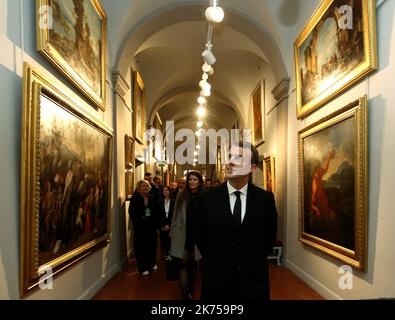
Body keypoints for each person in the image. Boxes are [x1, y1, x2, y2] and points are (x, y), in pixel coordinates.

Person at [195, 141, 278, 300]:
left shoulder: (265, 199)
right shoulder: (207, 198)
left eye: (239, 158)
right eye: (229, 156)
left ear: (252, 168)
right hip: (217, 281)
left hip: (253, 282)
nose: (230, 161)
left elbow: (268, 239)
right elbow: (201, 237)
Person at [170, 171, 204, 300]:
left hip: (197, 235)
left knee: (194, 264)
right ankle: (185, 294)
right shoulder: (181, 195)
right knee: (183, 264)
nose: (191, 182)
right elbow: (175, 214)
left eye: (195, 179)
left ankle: (190, 291)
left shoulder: (204, 196)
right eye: (190, 180)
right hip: (182, 233)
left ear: (199, 181)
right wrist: (171, 234)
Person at [129, 180, 160, 276]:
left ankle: (151, 263)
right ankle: (142, 268)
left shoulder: (152, 198)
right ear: (139, 188)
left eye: (147, 186)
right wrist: (141, 218)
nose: (146, 187)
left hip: (151, 227)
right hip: (140, 227)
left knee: (152, 246)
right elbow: (132, 212)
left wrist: (156, 224)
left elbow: (157, 212)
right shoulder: (135, 198)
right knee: (141, 247)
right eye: (143, 186)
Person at [159, 186, 175, 257]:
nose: (165, 192)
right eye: (163, 190)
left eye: (167, 190)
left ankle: (171, 255)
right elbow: (158, 215)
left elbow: (174, 215)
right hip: (162, 225)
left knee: (171, 241)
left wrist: (169, 225)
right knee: (164, 242)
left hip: (171, 225)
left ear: (169, 191)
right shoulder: (159, 202)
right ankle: (166, 255)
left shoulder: (174, 201)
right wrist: (162, 225)